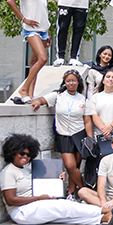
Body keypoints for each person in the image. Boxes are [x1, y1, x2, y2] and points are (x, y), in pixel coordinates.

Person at [0, 134, 113, 225]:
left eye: (28, 154)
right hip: (21, 212)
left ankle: (105, 218)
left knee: (65, 215)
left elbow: (40, 185)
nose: (25, 157)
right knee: (63, 207)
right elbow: (11, 200)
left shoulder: (27, 168)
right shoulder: (8, 172)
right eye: (22, 153)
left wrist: (58, 181)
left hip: (35, 205)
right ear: (12, 152)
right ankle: (105, 210)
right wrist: (40, 198)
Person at [30, 70, 94, 198]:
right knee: (70, 166)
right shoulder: (58, 96)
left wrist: (90, 139)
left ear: (78, 82)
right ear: (64, 82)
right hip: (63, 135)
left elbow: (87, 121)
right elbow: (42, 99)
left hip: (79, 135)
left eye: (74, 80)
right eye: (68, 80)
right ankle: (84, 190)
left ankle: (71, 193)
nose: (71, 83)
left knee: (75, 166)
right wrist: (37, 101)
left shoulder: (84, 100)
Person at [7, 0, 51, 104]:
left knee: (33, 62)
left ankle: (30, 95)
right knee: (42, 59)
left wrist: (48, 32)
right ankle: (24, 89)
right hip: (31, 29)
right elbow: (10, 1)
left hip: (43, 29)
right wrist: (24, 19)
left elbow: (43, 13)